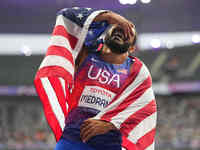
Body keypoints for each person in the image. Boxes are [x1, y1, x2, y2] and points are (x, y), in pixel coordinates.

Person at [34, 7, 157, 150]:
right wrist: (109, 16)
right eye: (117, 28)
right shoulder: (85, 54)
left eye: (128, 32)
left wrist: (109, 123)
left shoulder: (137, 71)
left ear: (131, 49)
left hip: (110, 143)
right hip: (74, 137)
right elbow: (66, 16)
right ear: (106, 34)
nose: (121, 30)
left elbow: (143, 109)